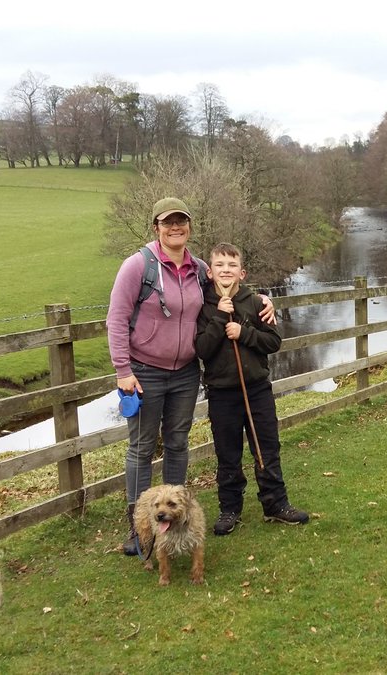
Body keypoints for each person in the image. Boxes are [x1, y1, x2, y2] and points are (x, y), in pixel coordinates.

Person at [106, 198, 274, 556]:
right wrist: (123, 370)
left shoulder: (198, 268)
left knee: (178, 444)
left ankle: (174, 522)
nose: (175, 228)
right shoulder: (138, 266)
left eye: (181, 222)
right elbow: (116, 318)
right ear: (156, 227)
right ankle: (140, 531)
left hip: (184, 373)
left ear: (189, 227)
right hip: (145, 371)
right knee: (141, 448)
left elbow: (226, 287)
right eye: (168, 223)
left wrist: (263, 297)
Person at [195, 242, 309, 536]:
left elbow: (273, 342)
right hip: (221, 393)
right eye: (219, 266)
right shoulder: (203, 306)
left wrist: (243, 332)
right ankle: (229, 508)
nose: (226, 271)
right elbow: (202, 349)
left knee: (266, 446)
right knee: (227, 453)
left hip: (257, 389)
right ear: (210, 272)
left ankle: (275, 504)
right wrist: (220, 318)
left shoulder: (256, 303)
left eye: (232, 266)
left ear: (242, 273)